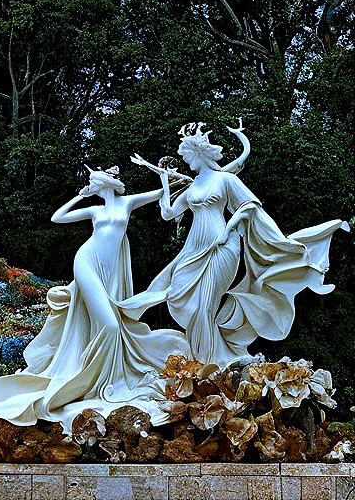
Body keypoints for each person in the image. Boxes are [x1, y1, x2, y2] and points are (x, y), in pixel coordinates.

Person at [0, 166, 189, 429]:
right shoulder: (95, 210)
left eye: (94, 184)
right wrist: (80, 195)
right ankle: (87, 380)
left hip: (109, 272)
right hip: (87, 262)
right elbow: (58, 217)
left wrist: (170, 175)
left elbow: (163, 192)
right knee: (111, 326)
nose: (92, 187)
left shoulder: (127, 203)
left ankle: (102, 380)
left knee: (110, 325)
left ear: (106, 184)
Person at [131, 122, 350, 367]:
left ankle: (211, 364)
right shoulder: (193, 186)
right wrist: (163, 183)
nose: (186, 161)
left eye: (187, 155)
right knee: (181, 297)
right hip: (193, 249)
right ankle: (212, 358)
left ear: (199, 153)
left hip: (223, 247)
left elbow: (249, 206)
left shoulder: (225, 180)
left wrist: (228, 229)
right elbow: (169, 214)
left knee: (206, 304)